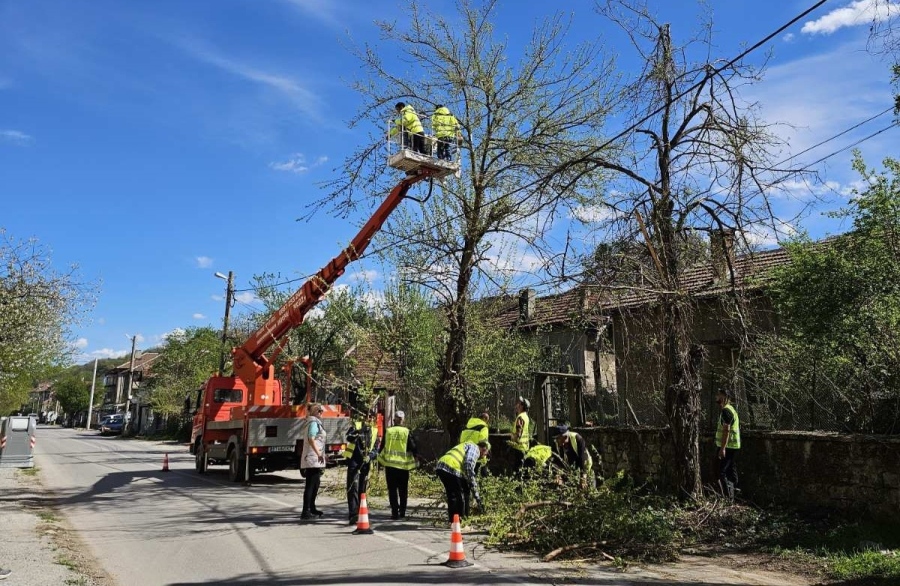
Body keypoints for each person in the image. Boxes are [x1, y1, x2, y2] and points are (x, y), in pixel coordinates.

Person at [435, 440, 490, 523]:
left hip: (441, 466)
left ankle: (453, 522)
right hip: (452, 467)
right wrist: (475, 491)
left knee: (452, 495)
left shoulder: (466, 445)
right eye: (485, 454)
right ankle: (462, 522)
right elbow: (468, 464)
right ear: (484, 449)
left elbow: (465, 469)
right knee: (461, 495)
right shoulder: (475, 448)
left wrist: (473, 488)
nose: (484, 456)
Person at [377, 410, 418, 520]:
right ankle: (402, 512)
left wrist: (379, 463)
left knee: (392, 490)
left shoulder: (388, 431)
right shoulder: (407, 432)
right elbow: (413, 447)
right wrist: (416, 457)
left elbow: (382, 447)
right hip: (403, 467)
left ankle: (394, 512)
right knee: (403, 490)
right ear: (403, 420)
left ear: (394, 419)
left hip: (390, 466)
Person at [344, 408, 380, 525]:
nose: (369, 419)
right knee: (353, 487)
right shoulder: (356, 425)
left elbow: (376, 449)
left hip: (365, 463)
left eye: (372, 418)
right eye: (368, 417)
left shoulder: (374, 431)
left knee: (362, 488)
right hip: (354, 461)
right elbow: (348, 437)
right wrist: (359, 431)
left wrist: (370, 456)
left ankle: (361, 511)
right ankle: (353, 514)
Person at [300, 403, 327, 520]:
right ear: (316, 412)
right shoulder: (313, 423)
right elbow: (311, 439)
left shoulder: (314, 422)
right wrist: (319, 454)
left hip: (314, 457)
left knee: (315, 484)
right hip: (312, 458)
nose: (322, 414)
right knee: (311, 485)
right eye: (320, 411)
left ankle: (312, 507)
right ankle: (306, 511)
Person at [715, 389, 741, 500]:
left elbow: (726, 430)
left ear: (724, 397)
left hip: (728, 447)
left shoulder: (726, 411)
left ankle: (728, 497)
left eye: (718, 395)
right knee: (731, 470)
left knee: (722, 472)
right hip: (733, 446)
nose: (716, 397)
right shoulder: (731, 409)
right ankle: (735, 492)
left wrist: (723, 448)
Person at [552, 425, 595, 489]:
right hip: (572, 470)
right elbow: (558, 460)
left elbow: (583, 458)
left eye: (558, 438)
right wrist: (558, 475)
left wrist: (583, 477)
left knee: (588, 489)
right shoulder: (558, 445)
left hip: (585, 468)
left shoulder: (577, 439)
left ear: (565, 437)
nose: (557, 441)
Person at [508, 396, 531, 471]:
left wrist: (512, 442)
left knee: (517, 469)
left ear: (522, 406)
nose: (517, 405)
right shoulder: (525, 416)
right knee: (521, 467)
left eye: (519, 404)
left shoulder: (520, 417)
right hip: (524, 446)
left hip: (519, 447)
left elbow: (518, 432)